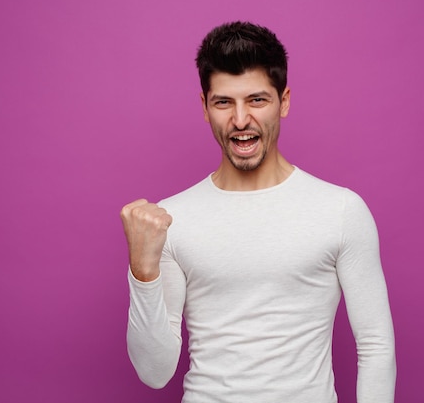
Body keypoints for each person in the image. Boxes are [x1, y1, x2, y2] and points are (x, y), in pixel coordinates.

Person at [120, 21, 396, 403]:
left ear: (283, 101)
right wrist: (142, 271)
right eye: (223, 102)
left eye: (256, 100)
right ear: (204, 107)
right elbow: (154, 373)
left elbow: (376, 346)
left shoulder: (341, 210)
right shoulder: (170, 219)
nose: (240, 120)